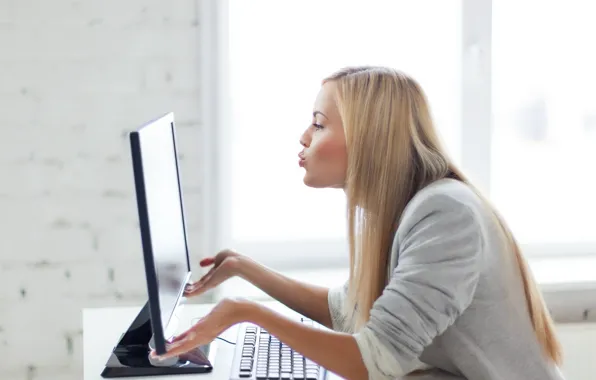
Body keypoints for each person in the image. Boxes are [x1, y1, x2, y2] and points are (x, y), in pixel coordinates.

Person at [151, 66, 565, 380]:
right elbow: (348, 312)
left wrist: (247, 313)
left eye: (318, 123)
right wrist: (246, 270)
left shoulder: (445, 215)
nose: (303, 137)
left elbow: (374, 361)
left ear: (369, 137)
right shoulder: (406, 208)